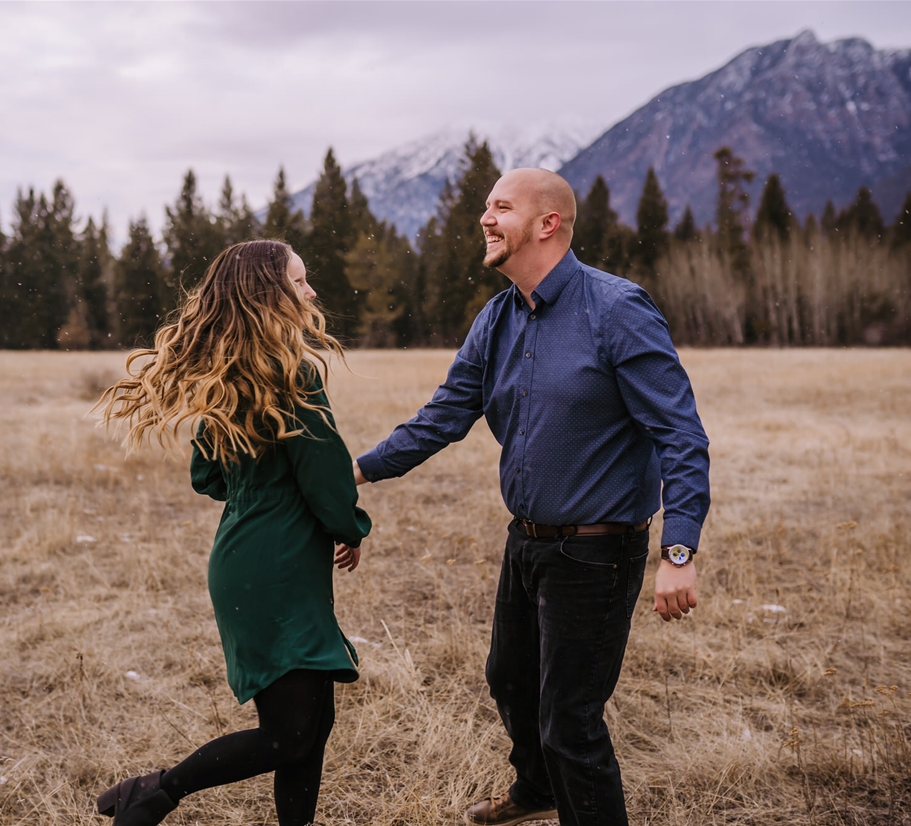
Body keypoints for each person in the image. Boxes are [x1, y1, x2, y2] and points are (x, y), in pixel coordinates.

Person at [353, 169, 709, 826]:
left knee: (570, 722)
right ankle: (537, 790)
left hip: (597, 554)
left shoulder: (617, 310)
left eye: (502, 208)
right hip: (528, 540)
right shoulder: (498, 316)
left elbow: (680, 433)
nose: (485, 219)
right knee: (509, 680)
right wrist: (356, 472)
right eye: (486, 207)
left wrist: (679, 548)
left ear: (547, 223)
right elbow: (444, 415)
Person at [95, 239, 371, 826]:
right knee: (290, 735)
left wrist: (260, 491)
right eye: (300, 282)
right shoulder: (293, 375)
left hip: (247, 554)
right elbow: (325, 479)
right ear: (270, 295)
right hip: (281, 565)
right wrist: (350, 526)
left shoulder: (227, 378)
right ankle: (155, 793)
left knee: (311, 726)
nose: (312, 292)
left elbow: (207, 477)